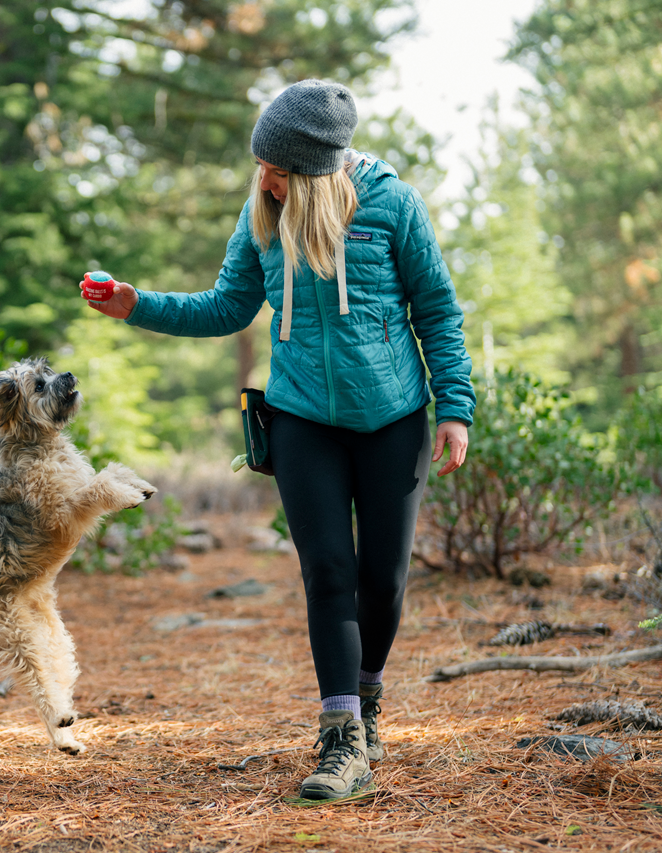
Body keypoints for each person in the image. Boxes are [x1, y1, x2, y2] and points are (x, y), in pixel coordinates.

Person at [81, 79, 475, 799]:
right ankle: (341, 739)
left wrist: (455, 407)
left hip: (392, 419)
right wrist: (135, 303)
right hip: (299, 420)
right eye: (261, 163)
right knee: (328, 571)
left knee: (382, 582)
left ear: (317, 172)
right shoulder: (261, 211)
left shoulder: (392, 206)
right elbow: (225, 305)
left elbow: (438, 312)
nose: (263, 177)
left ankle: (368, 695)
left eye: (278, 168)